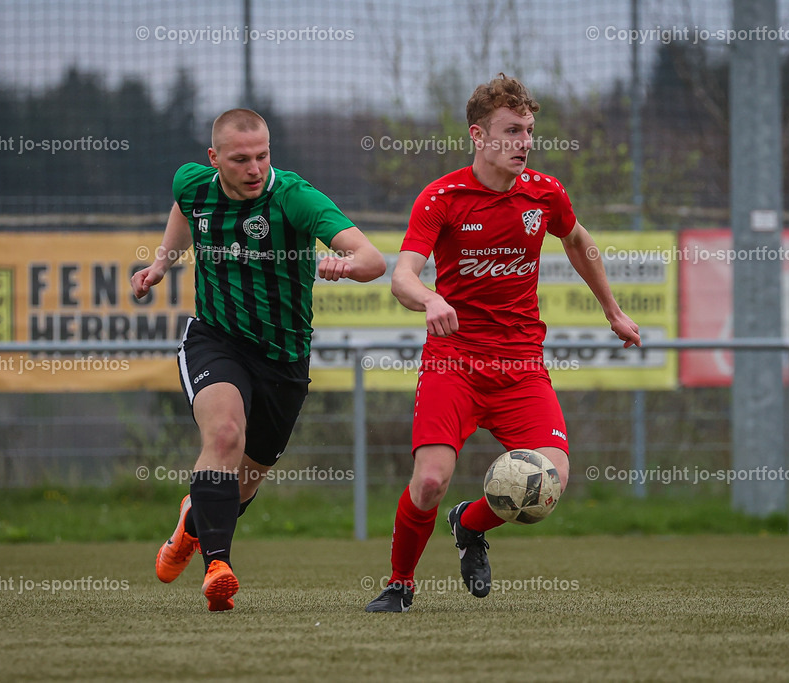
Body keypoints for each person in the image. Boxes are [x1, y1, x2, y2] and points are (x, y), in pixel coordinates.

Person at [365, 74, 641, 612]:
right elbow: (402, 276)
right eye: (512, 131)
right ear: (478, 135)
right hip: (455, 363)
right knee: (428, 481)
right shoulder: (441, 198)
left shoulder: (544, 192)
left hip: (520, 367)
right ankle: (401, 582)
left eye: (529, 130)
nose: (524, 142)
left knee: (551, 480)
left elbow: (580, 241)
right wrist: (430, 299)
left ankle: (468, 525)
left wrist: (613, 309)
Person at [132, 108, 385, 611]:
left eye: (263, 156)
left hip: (284, 360)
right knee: (223, 435)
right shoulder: (193, 182)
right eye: (241, 159)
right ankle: (218, 569)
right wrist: (162, 261)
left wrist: (346, 264)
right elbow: (186, 207)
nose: (254, 169)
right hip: (216, 339)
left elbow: (373, 259)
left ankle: (191, 525)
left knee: (240, 489)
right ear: (215, 159)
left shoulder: (293, 196)